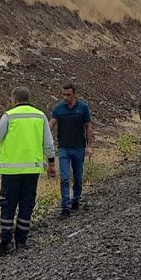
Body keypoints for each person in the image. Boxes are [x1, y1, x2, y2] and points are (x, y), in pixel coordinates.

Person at [0, 86, 57, 256]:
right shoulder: (40, 116)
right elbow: (48, 143)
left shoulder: (9, 115)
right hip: (31, 171)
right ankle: (22, 242)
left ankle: (5, 244)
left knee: (8, 205)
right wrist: (52, 164)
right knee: (26, 204)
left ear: (14, 99)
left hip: (11, 172)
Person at [50, 83, 93, 218]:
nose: (66, 97)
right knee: (64, 178)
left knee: (78, 178)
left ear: (74, 94)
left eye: (68, 95)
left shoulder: (83, 107)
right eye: (63, 94)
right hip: (63, 148)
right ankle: (65, 206)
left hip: (79, 148)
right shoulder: (58, 109)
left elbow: (88, 127)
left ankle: (76, 199)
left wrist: (89, 146)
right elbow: (50, 125)